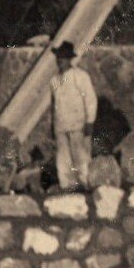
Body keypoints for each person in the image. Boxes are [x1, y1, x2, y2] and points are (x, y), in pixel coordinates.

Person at [48, 41, 97, 190]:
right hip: (61, 124)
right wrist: (52, 124)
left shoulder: (80, 76)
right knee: (63, 158)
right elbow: (53, 104)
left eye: (63, 57)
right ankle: (67, 186)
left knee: (81, 156)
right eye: (58, 57)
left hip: (78, 124)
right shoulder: (54, 80)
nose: (60, 61)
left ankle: (85, 184)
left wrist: (90, 121)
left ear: (69, 59)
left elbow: (90, 99)